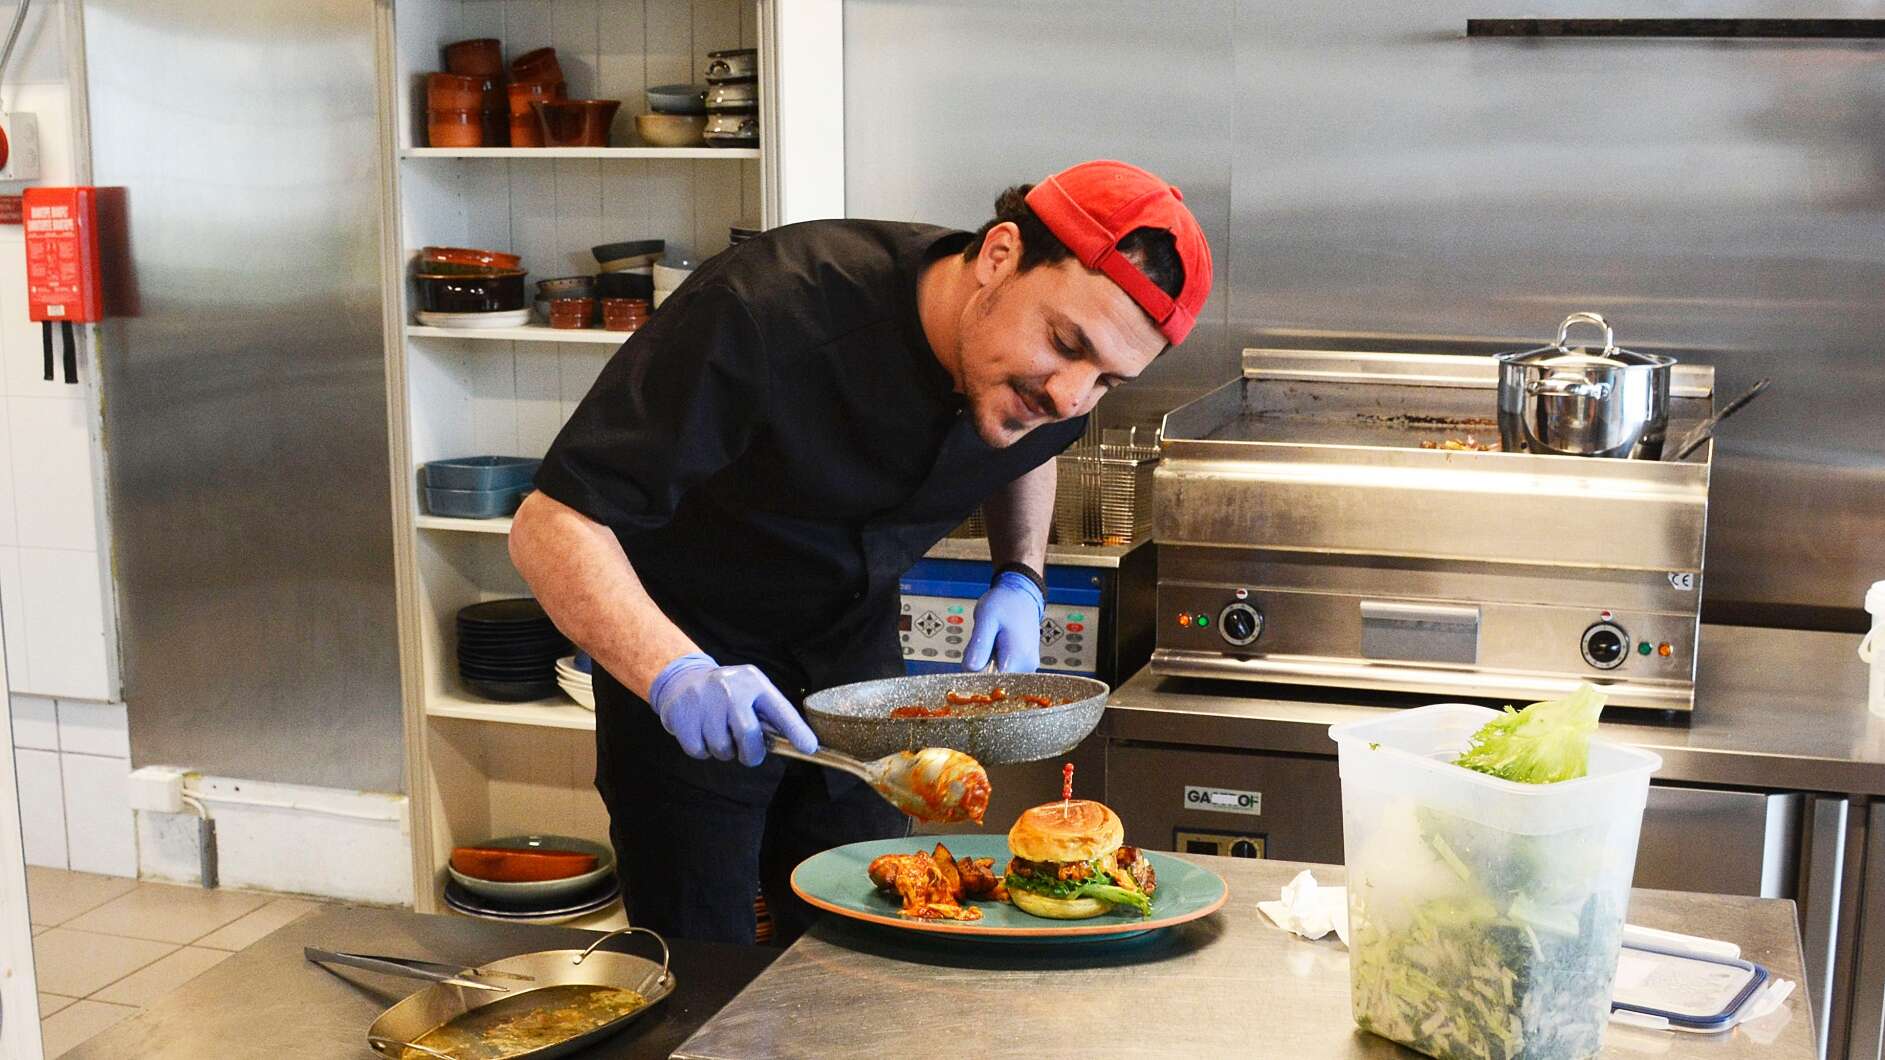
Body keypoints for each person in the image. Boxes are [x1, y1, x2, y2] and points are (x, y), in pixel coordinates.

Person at [509, 159, 1213, 944]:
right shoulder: (765, 310)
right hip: (693, 665)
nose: (1069, 395)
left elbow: (1031, 439)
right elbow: (552, 522)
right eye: (1063, 343)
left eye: (1107, 381)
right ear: (999, 255)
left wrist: (1020, 574)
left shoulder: (1047, 379)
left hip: (857, 672)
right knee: (703, 956)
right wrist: (674, 673)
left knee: (865, 935)